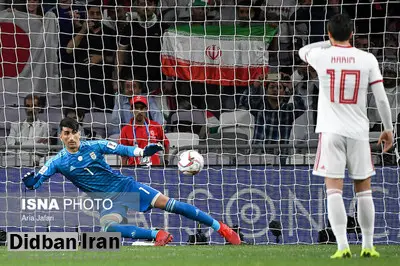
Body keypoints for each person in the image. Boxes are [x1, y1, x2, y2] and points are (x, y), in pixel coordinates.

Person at [22, 117, 241, 246]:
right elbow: (37, 181)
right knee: (108, 230)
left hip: (125, 187)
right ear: (60, 136)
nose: (70, 137)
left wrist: (143, 151)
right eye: (66, 134)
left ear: (79, 134)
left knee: (171, 205)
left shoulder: (96, 145)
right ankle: (158, 235)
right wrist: (31, 182)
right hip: (107, 201)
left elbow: (123, 148)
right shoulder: (56, 161)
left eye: (73, 133)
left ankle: (221, 227)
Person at [299, 14, 393, 258]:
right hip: (359, 132)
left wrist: (328, 44)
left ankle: (342, 246)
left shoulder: (321, 55)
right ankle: (369, 245)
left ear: (329, 34)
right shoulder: (367, 58)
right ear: (352, 33)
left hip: (331, 131)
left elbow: (303, 50)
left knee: (333, 190)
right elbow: (382, 98)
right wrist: (388, 129)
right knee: (364, 190)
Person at [120, 96, 170, 166]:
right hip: (134, 169)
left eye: (142, 108)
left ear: (146, 109)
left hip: (154, 169)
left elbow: (166, 144)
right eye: (136, 108)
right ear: (131, 110)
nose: (139, 111)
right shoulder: (125, 129)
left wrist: (166, 161)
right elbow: (124, 154)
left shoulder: (155, 126)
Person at [6, 94, 49, 166]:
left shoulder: (45, 126)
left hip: (34, 161)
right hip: (15, 160)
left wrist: (19, 144)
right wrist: (33, 146)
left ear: (39, 108)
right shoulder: (15, 125)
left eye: (34, 106)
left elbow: (44, 149)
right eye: (28, 106)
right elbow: (9, 147)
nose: (30, 109)